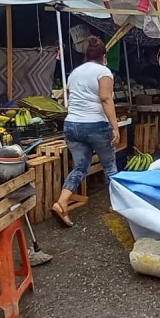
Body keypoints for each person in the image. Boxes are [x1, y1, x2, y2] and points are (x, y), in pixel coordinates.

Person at [52, 36, 120, 227]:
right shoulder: (104, 72)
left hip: (72, 124)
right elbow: (106, 99)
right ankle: (116, 205)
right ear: (104, 56)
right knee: (110, 167)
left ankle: (61, 202)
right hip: (95, 125)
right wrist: (115, 127)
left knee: (80, 167)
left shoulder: (74, 73)